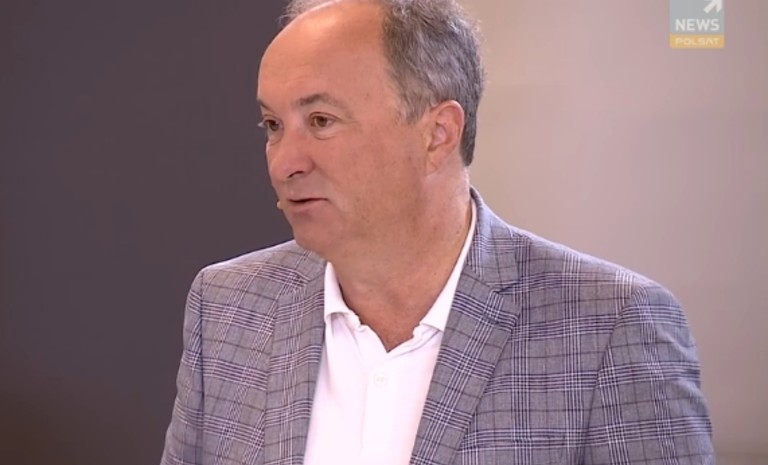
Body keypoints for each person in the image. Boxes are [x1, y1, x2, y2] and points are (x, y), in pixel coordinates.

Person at [160, 0, 714, 463]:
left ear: (438, 134)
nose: (285, 163)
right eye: (273, 126)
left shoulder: (611, 326)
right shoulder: (227, 308)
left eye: (321, 121)